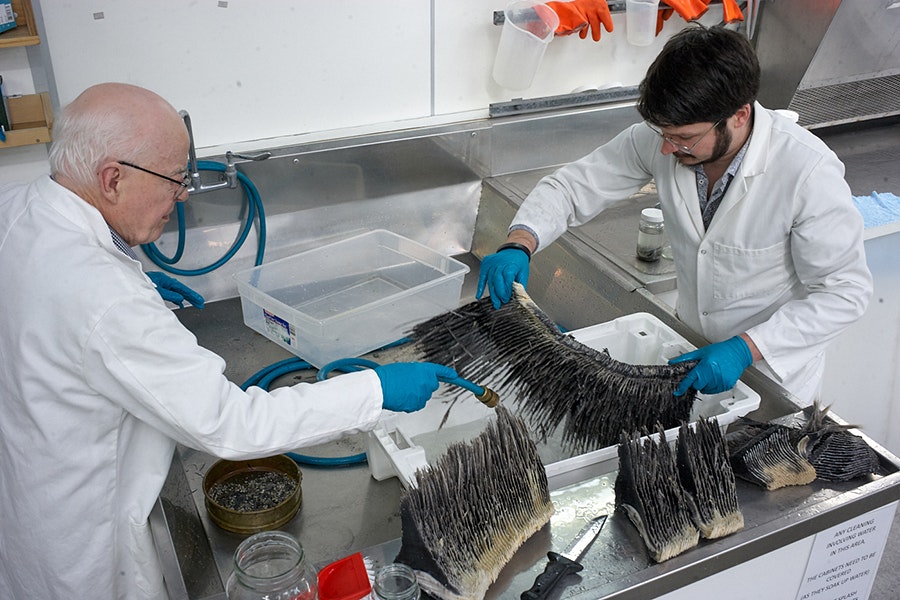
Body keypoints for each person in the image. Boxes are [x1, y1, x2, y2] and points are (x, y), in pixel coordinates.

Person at [0, 83, 457, 599]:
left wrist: (133, 279)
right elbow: (231, 425)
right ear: (112, 179)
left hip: (28, 503)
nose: (184, 194)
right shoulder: (105, 302)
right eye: (174, 178)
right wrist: (376, 389)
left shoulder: (19, 204)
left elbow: (54, 303)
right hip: (84, 550)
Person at [477, 25, 872, 406]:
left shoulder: (807, 172)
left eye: (684, 138)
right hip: (689, 345)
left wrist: (747, 348)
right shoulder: (662, 140)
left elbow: (844, 293)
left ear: (739, 115)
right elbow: (572, 187)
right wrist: (520, 243)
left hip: (771, 373)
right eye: (663, 133)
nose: (668, 149)